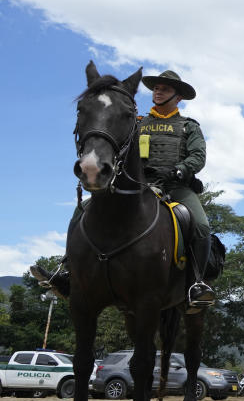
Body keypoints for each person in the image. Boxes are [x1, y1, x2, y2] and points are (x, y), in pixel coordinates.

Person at [31, 70, 215, 311]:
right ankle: (68, 272)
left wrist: (180, 170)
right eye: (156, 88)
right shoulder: (136, 122)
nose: (158, 92)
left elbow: (198, 156)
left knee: (201, 225)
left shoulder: (188, 127)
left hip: (175, 186)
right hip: (139, 185)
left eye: (165, 89)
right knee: (83, 210)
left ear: (178, 97)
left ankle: (196, 285)